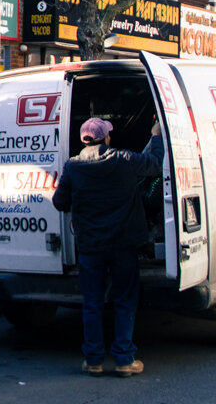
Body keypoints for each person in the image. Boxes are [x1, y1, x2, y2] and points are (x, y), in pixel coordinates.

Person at [53, 117, 164, 377]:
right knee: (124, 299)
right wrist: (156, 134)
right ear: (106, 139)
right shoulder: (124, 159)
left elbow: (60, 202)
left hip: (91, 245)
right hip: (123, 244)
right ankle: (125, 359)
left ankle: (93, 360)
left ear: (84, 140)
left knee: (92, 302)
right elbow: (156, 164)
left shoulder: (73, 166)